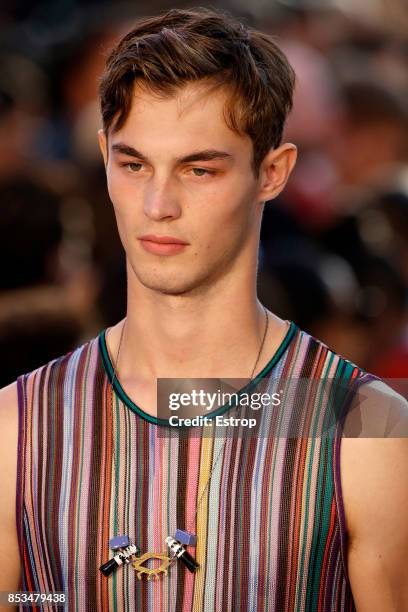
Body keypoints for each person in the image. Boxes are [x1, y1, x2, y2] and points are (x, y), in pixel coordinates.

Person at [0, 8, 407, 611]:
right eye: (133, 164)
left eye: (199, 169)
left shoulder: (363, 432)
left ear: (272, 173)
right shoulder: (18, 429)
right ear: (103, 155)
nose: (158, 204)